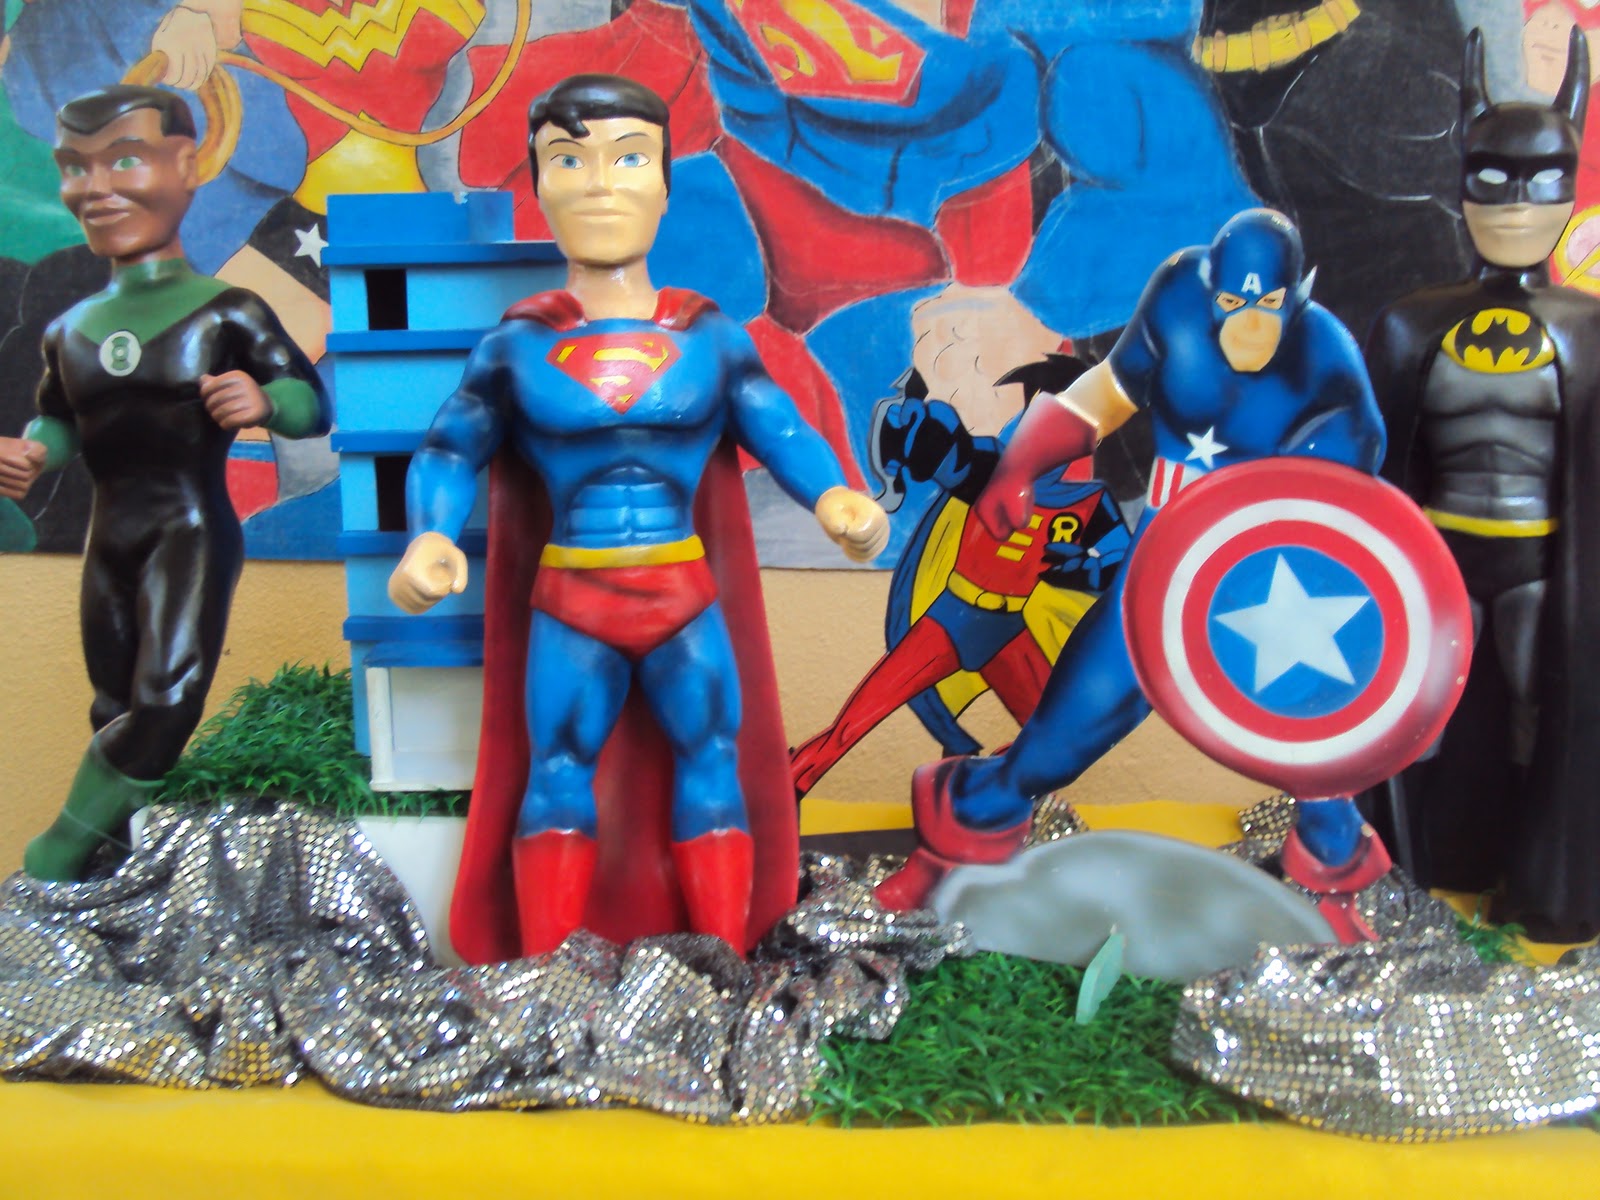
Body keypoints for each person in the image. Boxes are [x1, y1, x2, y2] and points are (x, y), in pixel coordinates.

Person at [389, 74, 887, 960]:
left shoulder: (708, 336)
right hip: (572, 598)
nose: (599, 185)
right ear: (540, 184)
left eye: (627, 159)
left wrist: (834, 495)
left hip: (681, 593)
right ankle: (545, 972)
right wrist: (429, 534)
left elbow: (778, 425)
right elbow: (450, 448)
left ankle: (725, 959)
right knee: (555, 770)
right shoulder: (516, 345)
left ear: (663, 183)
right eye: (568, 160)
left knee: (712, 757)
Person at [875, 208, 1394, 940]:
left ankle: (1337, 901)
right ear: (1211, 289)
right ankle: (947, 854)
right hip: (1166, 552)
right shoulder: (1178, 297)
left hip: (1268, 569)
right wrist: (1021, 464)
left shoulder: (1326, 356)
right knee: (1062, 734)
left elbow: (1349, 495)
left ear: (1297, 297)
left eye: (1269, 305)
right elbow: (1105, 396)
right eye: (1233, 302)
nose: (1249, 325)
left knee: (1313, 747)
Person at [0, 84, 329, 881]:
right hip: (108, 540)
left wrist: (263, 401)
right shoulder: (68, 329)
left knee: (168, 699)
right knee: (113, 707)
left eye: (125, 160)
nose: (96, 188)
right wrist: (33, 453)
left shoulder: (228, 312)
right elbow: (61, 421)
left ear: (187, 164)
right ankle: (115, 876)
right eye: (75, 167)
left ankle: (55, 854)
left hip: (190, 530)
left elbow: (309, 405)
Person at [1365, 28, 1600, 942]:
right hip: (1436, 560)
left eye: (1540, 180)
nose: (1513, 203)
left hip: (1543, 562)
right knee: (1422, 717)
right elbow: (1376, 456)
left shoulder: (1587, 330)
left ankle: (1538, 881)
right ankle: (1423, 868)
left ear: (1569, 189)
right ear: (1462, 183)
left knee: (1547, 720)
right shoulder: (1410, 323)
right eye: (1491, 178)